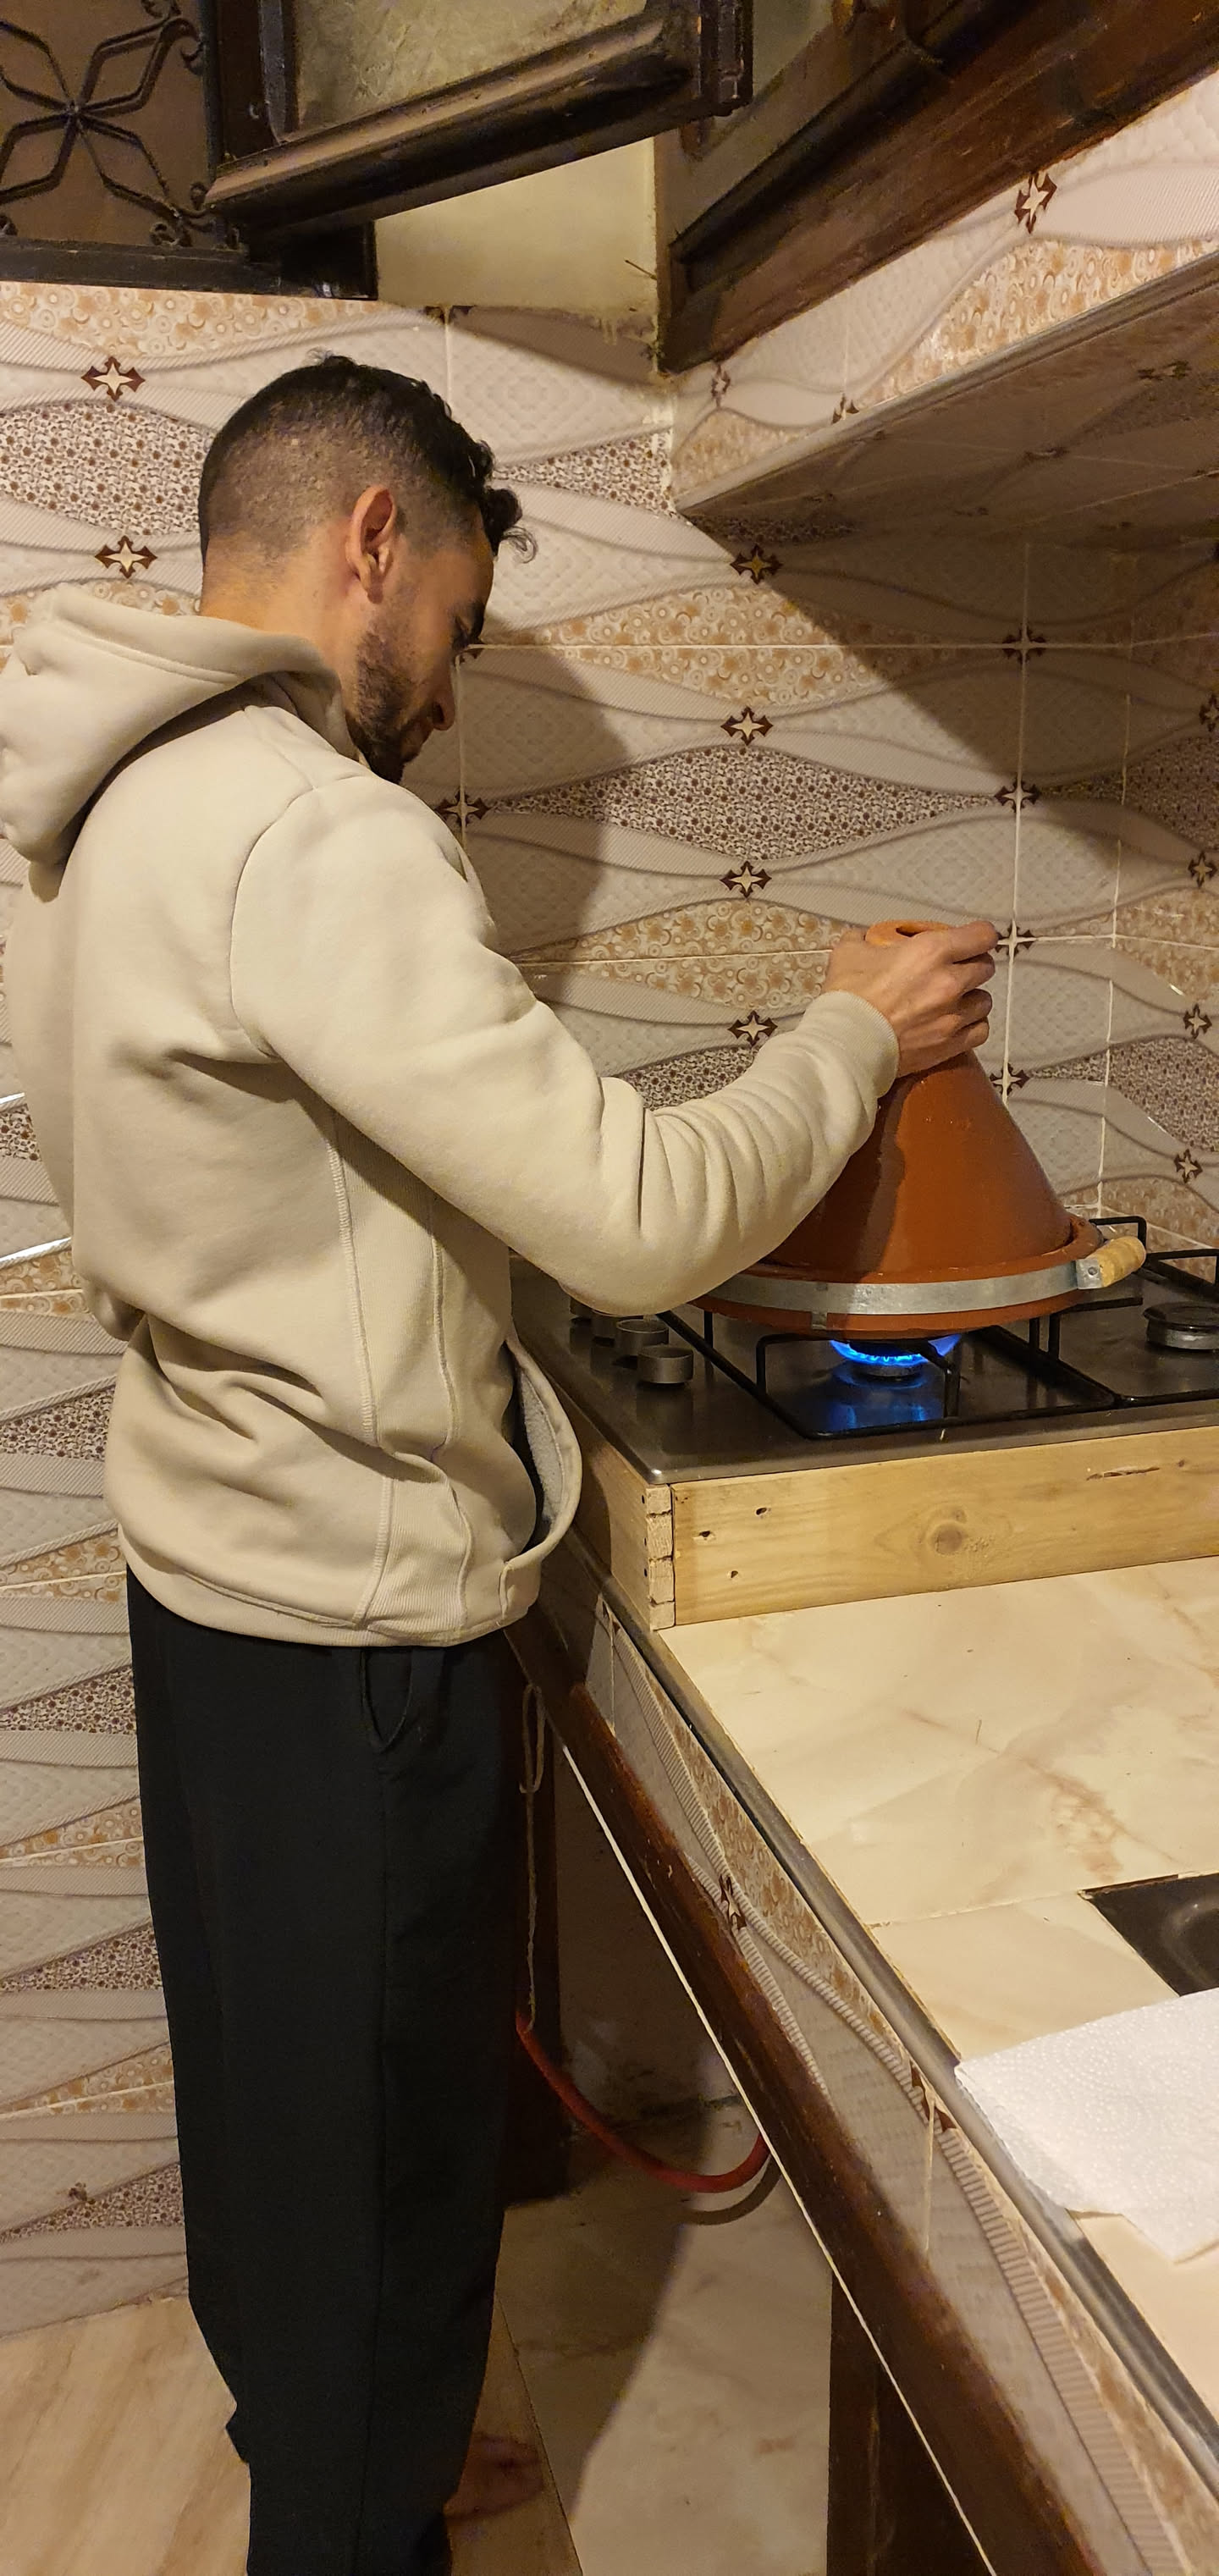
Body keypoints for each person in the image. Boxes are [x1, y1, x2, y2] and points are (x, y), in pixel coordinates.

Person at [0, 356, 994, 2576]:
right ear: (375, 540)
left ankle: (345, 2438)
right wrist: (853, 1033)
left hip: (203, 1575)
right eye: (452, 616)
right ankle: (356, 2501)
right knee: (388, 2171)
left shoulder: (90, 804)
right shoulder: (307, 827)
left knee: (281, 2130)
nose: (445, 688)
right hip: (351, 1632)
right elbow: (638, 1216)